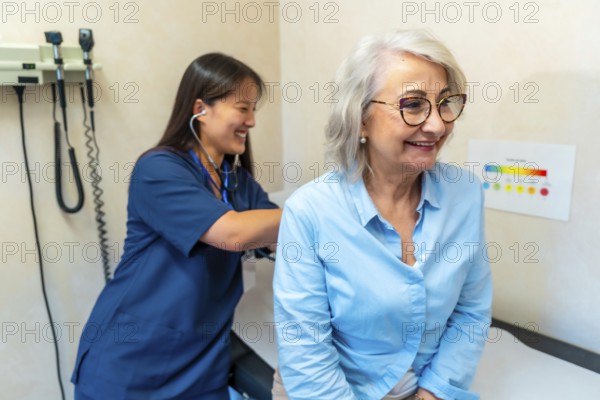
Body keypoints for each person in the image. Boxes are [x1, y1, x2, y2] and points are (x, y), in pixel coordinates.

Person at [272, 30, 492, 400]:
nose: (438, 125)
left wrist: (434, 391)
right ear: (359, 118)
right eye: (413, 104)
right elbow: (306, 353)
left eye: (445, 103)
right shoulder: (310, 212)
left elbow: (471, 310)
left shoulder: (465, 195)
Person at [71, 53, 282, 400]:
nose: (252, 121)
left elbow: (277, 233)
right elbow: (232, 233)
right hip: (132, 363)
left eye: (253, 110)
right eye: (243, 108)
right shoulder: (159, 169)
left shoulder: (239, 183)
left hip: (202, 366)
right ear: (201, 108)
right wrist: (315, 212)